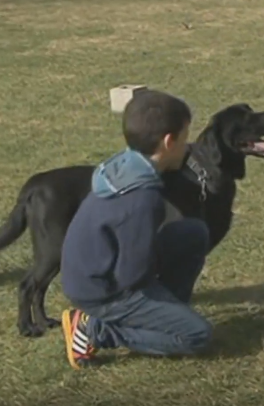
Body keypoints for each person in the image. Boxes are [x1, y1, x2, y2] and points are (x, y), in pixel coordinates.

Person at [60, 89, 213, 369]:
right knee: (197, 335)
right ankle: (94, 329)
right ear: (169, 141)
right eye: (185, 137)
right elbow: (132, 276)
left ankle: (165, 314)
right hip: (102, 291)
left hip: (92, 271)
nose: (187, 145)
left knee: (192, 233)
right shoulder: (143, 199)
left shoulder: (126, 164)